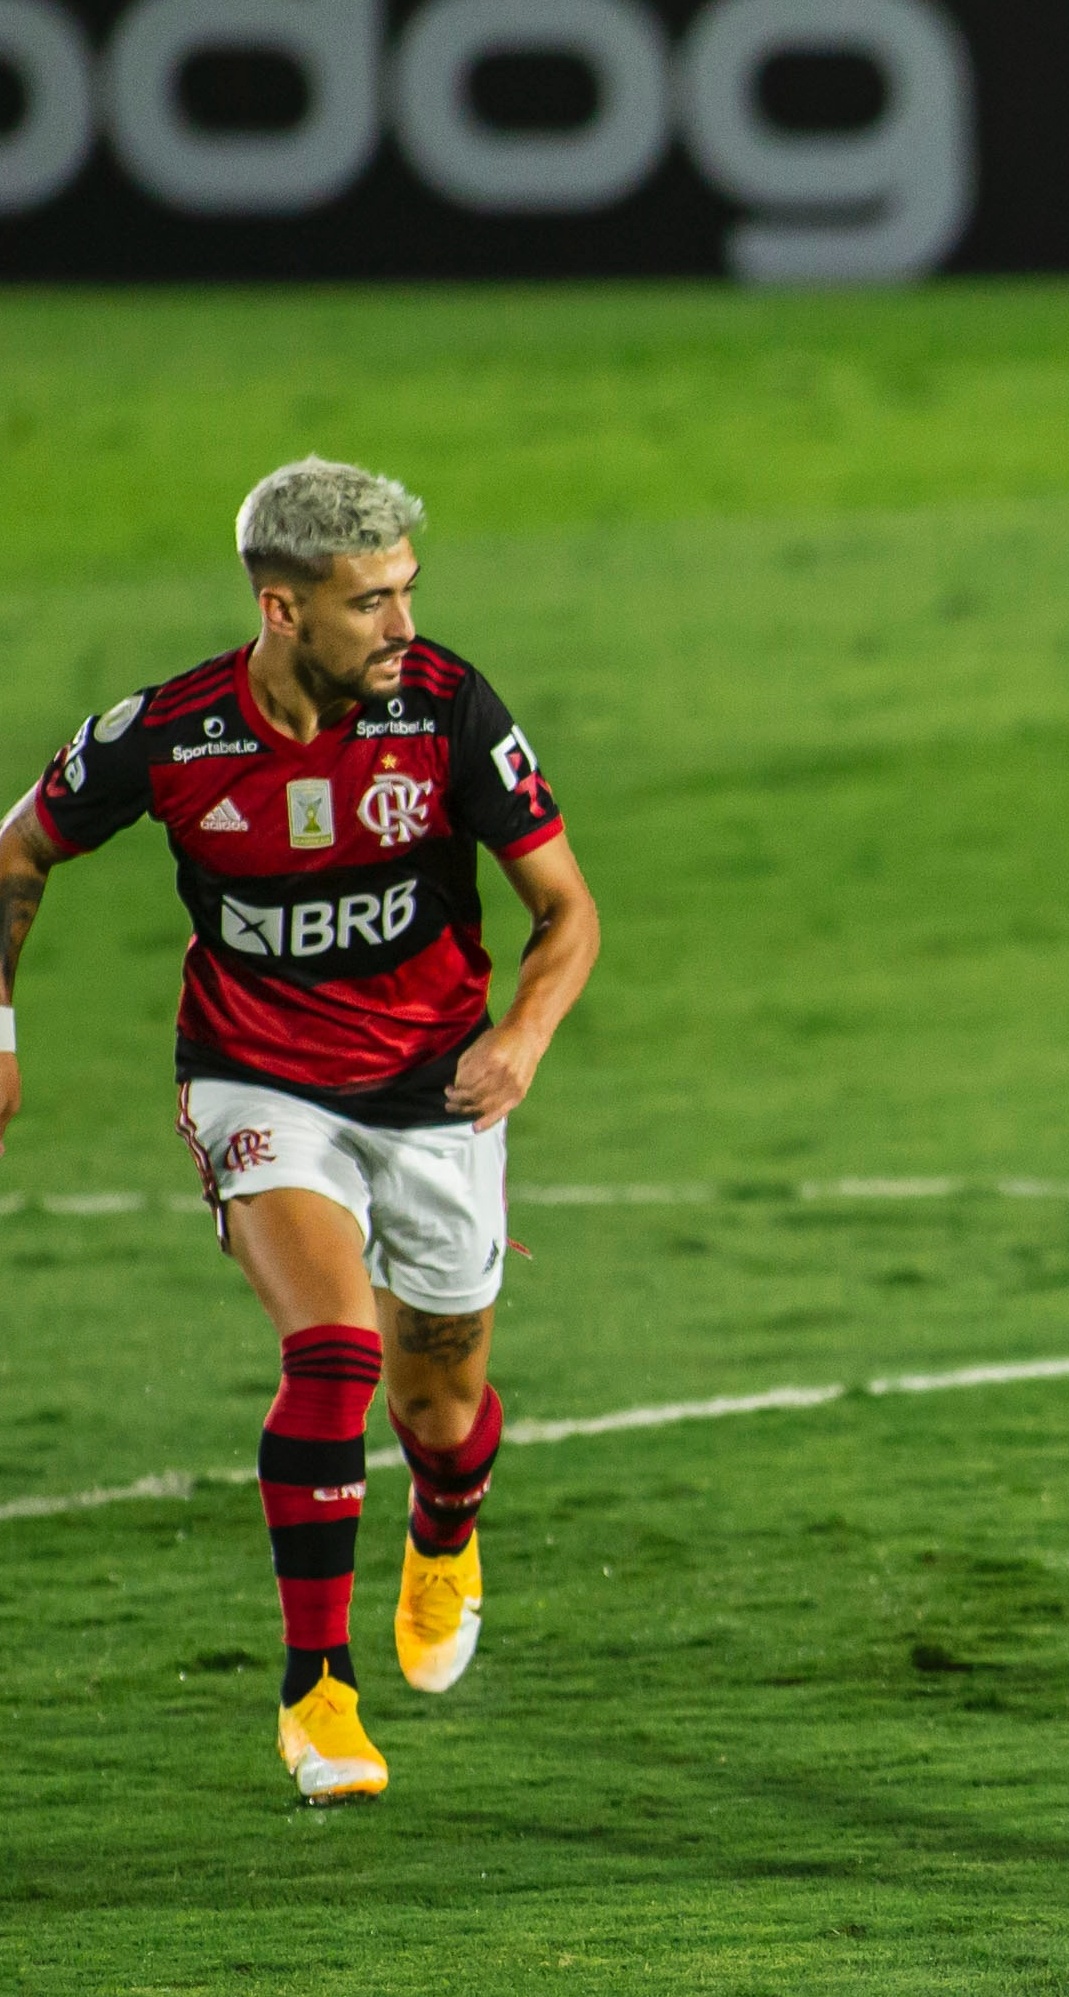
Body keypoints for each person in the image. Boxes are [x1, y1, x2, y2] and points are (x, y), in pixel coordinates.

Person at [0, 458, 599, 1802]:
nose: (402, 627)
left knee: (438, 1404)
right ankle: (316, 1693)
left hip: (436, 1089)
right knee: (330, 1346)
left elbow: (568, 909)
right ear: (281, 609)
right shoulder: (167, 736)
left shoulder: (448, 710)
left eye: (407, 592)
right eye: (368, 602)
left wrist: (522, 1036)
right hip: (256, 1078)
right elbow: (15, 853)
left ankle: (445, 1524)